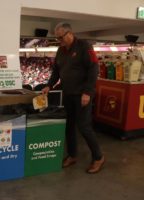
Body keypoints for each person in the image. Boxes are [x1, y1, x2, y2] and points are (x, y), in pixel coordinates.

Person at [42, 22, 104, 174]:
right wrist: (49, 85)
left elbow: (93, 69)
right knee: (69, 126)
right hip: (68, 94)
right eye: (57, 38)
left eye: (61, 37)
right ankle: (72, 155)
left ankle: (98, 157)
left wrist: (87, 93)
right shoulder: (60, 50)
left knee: (83, 126)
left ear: (70, 33)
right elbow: (57, 71)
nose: (59, 40)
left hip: (82, 95)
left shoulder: (84, 46)